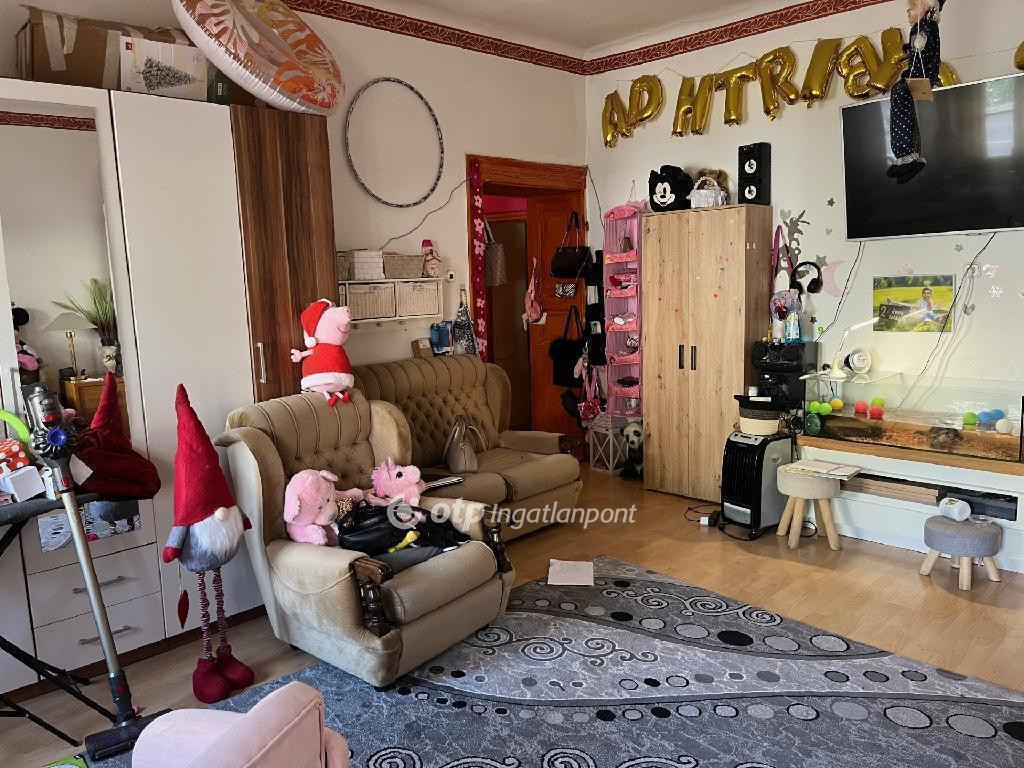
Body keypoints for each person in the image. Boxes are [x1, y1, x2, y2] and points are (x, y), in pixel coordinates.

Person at [887, 0, 946, 184]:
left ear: (927, 7)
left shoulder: (928, 27)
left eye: (913, 6)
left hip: (922, 75)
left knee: (899, 92)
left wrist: (918, 45)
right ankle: (909, 156)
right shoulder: (919, 28)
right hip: (915, 74)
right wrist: (910, 47)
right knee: (902, 101)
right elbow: (918, 51)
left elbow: (926, 52)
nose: (908, 10)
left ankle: (906, 154)